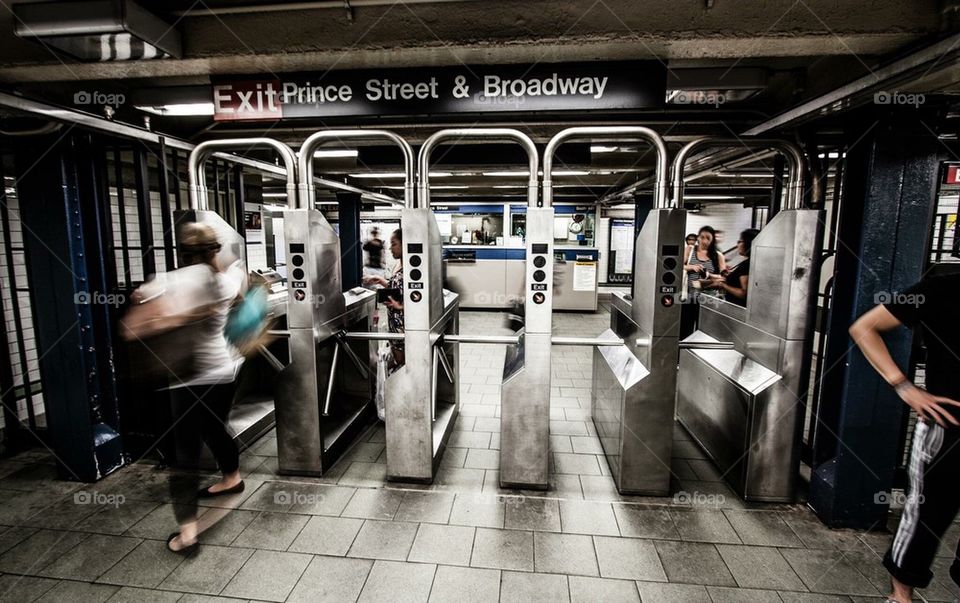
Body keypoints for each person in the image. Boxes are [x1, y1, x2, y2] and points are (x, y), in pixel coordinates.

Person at [849, 270, 960, 603]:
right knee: (925, 515)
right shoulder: (944, 287)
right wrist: (904, 385)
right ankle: (901, 597)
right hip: (948, 426)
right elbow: (864, 328)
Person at [165, 223, 247, 555]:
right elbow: (242, 285)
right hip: (224, 372)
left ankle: (187, 536)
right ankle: (232, 477)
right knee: (214, 426)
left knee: (184, 452)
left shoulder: (173, 283)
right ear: (213, 251)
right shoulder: (226, 281)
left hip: (188, 377)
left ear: (182, 252)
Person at [362, 229, 404, 366]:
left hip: (404, 324)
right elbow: (395, 285)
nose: (390, 248)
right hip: (394, 320)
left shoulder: (413, 265)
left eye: (394, 244)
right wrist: (379, 280)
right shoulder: (399, 263)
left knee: (404, 362)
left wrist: (401, 306)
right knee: (399, 359)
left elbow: (420, 295)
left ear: (405, 244)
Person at [680, 225, 726, 337]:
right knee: (685, 329)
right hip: (689, 297)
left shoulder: (718, 255)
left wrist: (708, 275)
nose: (704, 241)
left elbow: (723, 277)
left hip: (708, 298)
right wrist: (691, 267)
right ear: (698, 238)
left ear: (712, 240)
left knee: (705, 331)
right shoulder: (690, 250)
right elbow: (679, 265)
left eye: (708, 238)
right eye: (702, 237)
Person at [707, 228, 759, 306]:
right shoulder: (752, 262)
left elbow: (745, 294)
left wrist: (722, 285)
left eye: (740, 241)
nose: (737, 244)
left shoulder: (747, 265)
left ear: (749, 243)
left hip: (737, 307)